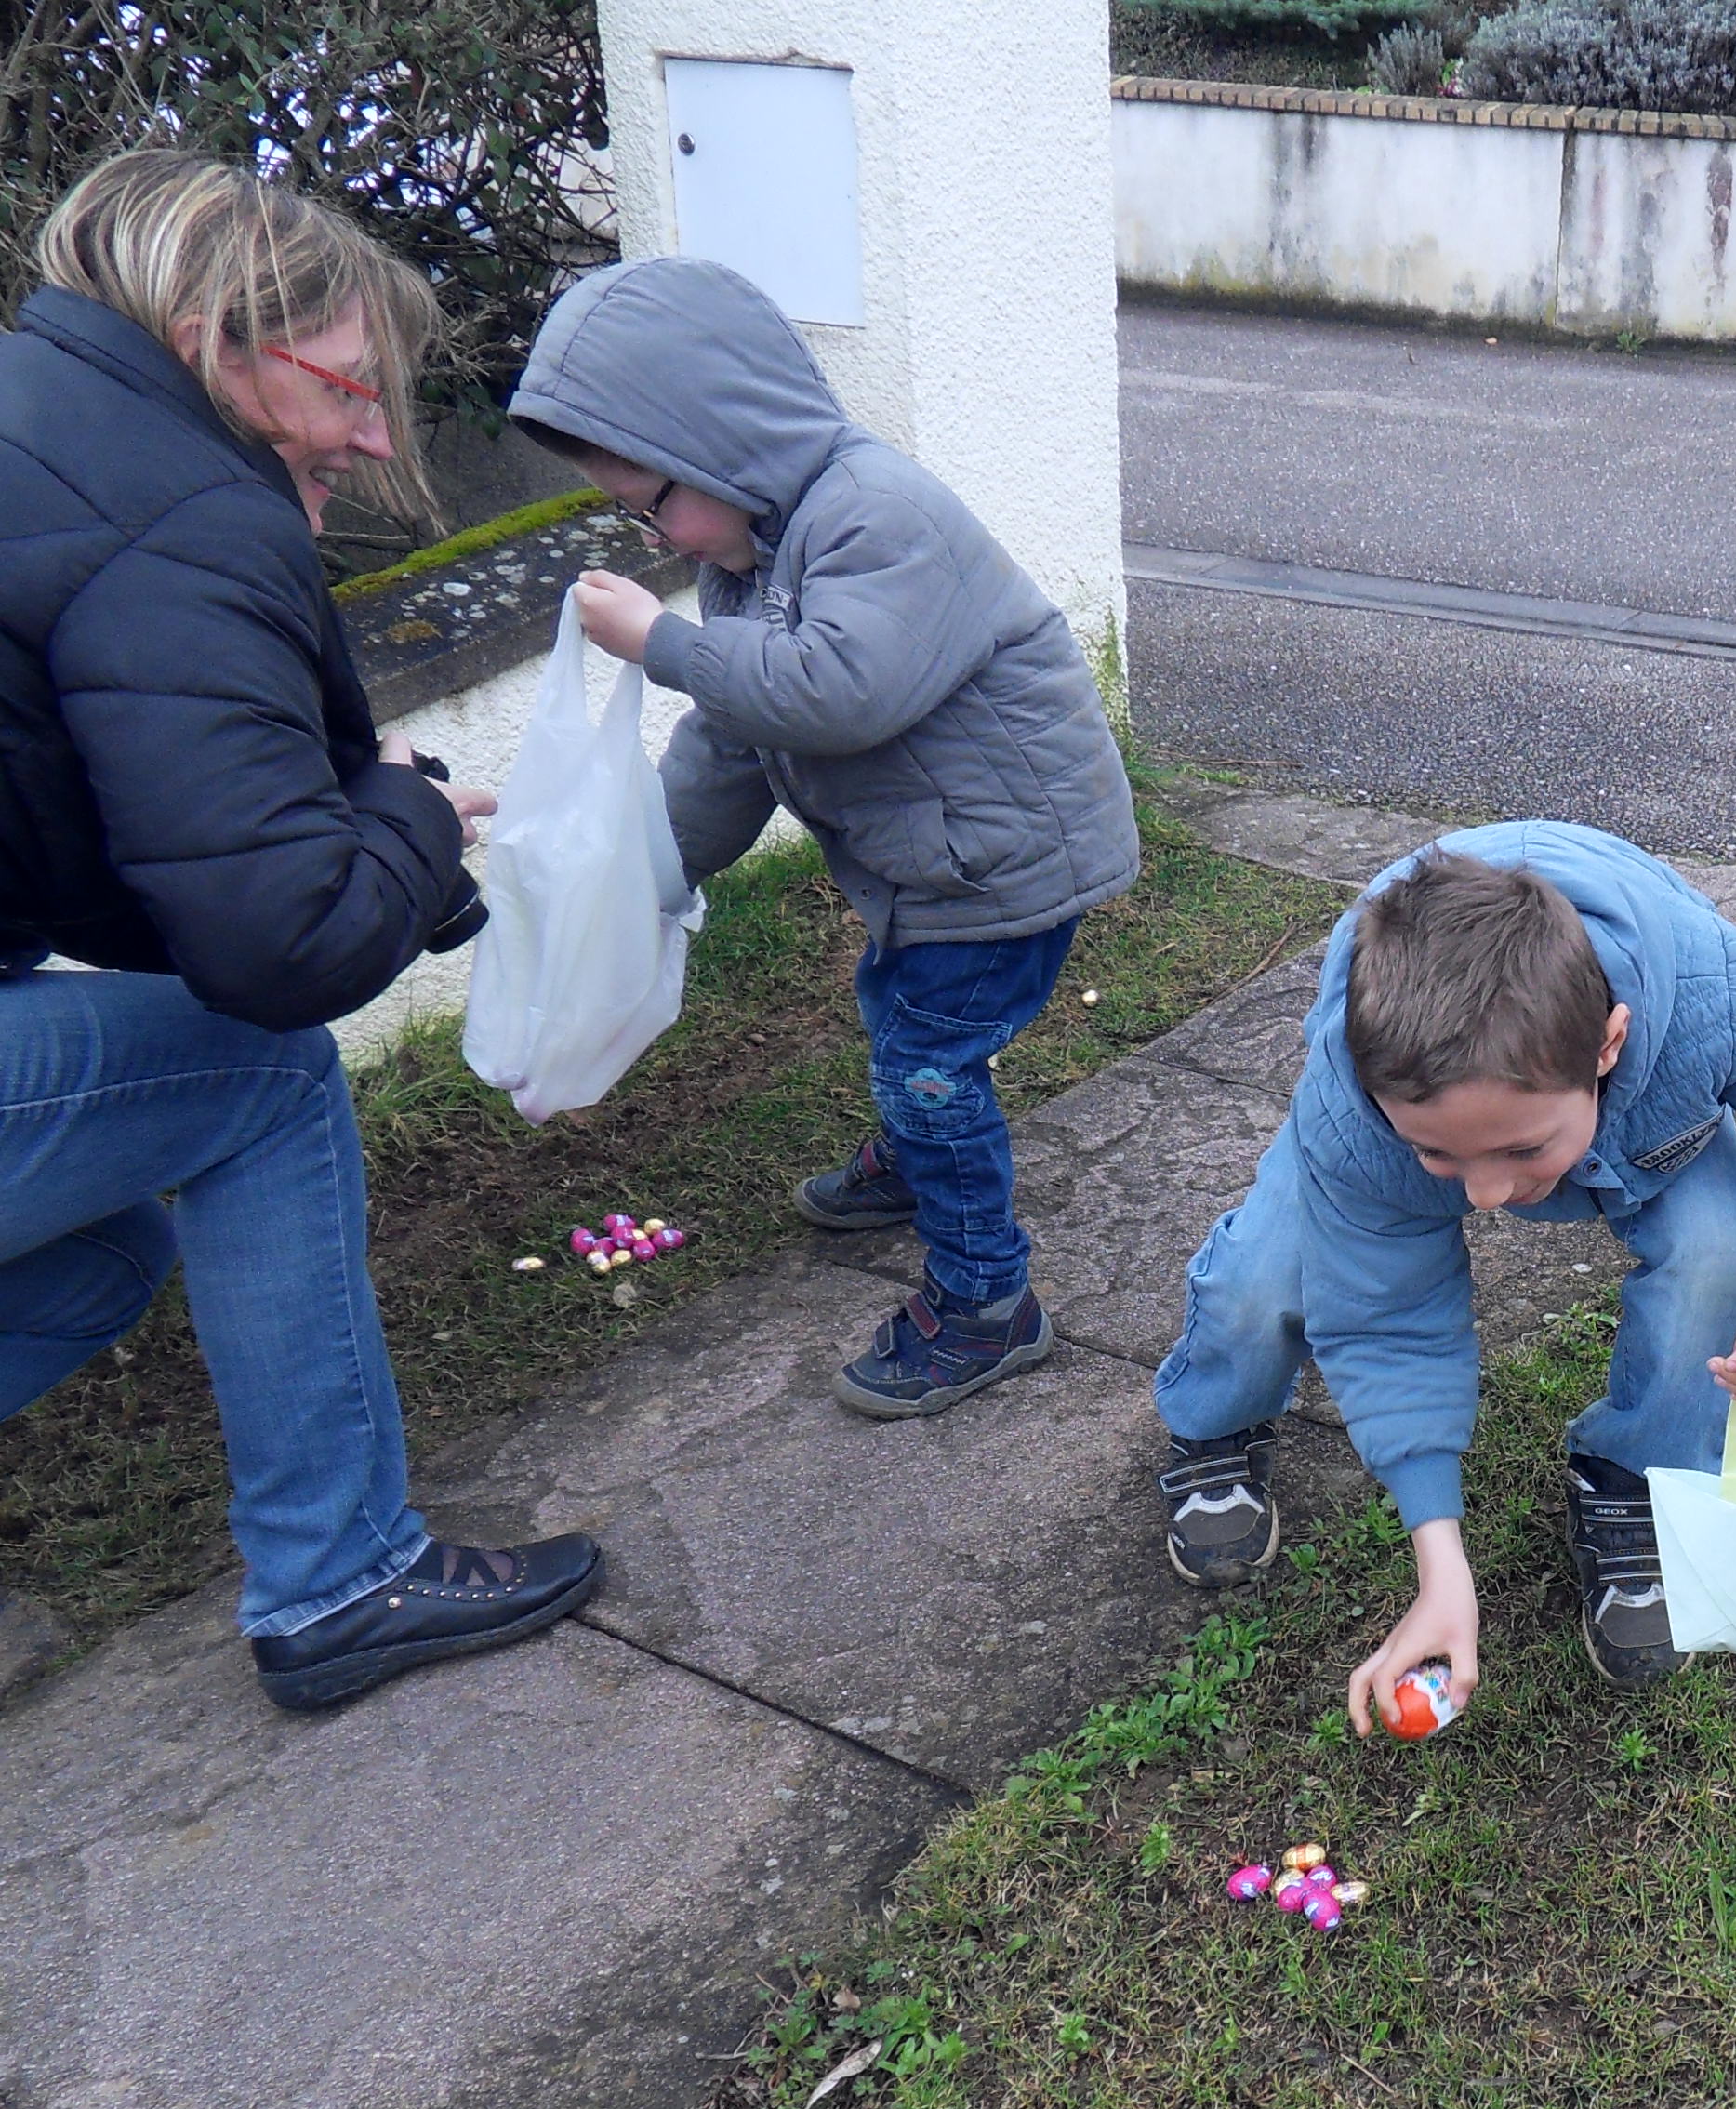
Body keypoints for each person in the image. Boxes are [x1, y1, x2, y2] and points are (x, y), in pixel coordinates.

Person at [0, 150, 603, 1711]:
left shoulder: (48, 418)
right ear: (215, 343)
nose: (379, 435)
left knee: (98, 1257)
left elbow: (137, 841)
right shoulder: (183, 514)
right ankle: (340, 1575)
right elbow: (276, 952)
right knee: (262, 1076)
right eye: (348, 389)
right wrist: (406, 817)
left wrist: (367, 822)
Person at [507, 259, 1140, 1418]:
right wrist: (642, 864)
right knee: (903, 1021)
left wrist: (661, 644)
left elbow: (835, 691)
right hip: (933, 862)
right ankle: (918, 1157)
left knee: (928, 1063)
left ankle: (989, 1303)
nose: (654, 535)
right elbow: (733, 735)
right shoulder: (747, 557)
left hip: (1007, 860)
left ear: (720, 443)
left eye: (653, 504)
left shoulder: (877, 515)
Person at [1152, 827, 1736, 1724]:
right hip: (1402, 1140)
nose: (1484, 1194)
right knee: (1266, 1280)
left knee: (1718, 1256)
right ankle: (1217, 1416)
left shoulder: (1718, 993)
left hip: (1653, 1115)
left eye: (1520, 1150)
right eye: (1439, 1152)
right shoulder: (1355, 1108)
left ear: (1607, 1046)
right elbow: (1388, 1315)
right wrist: (1440, 1562)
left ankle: (1636, 1479)